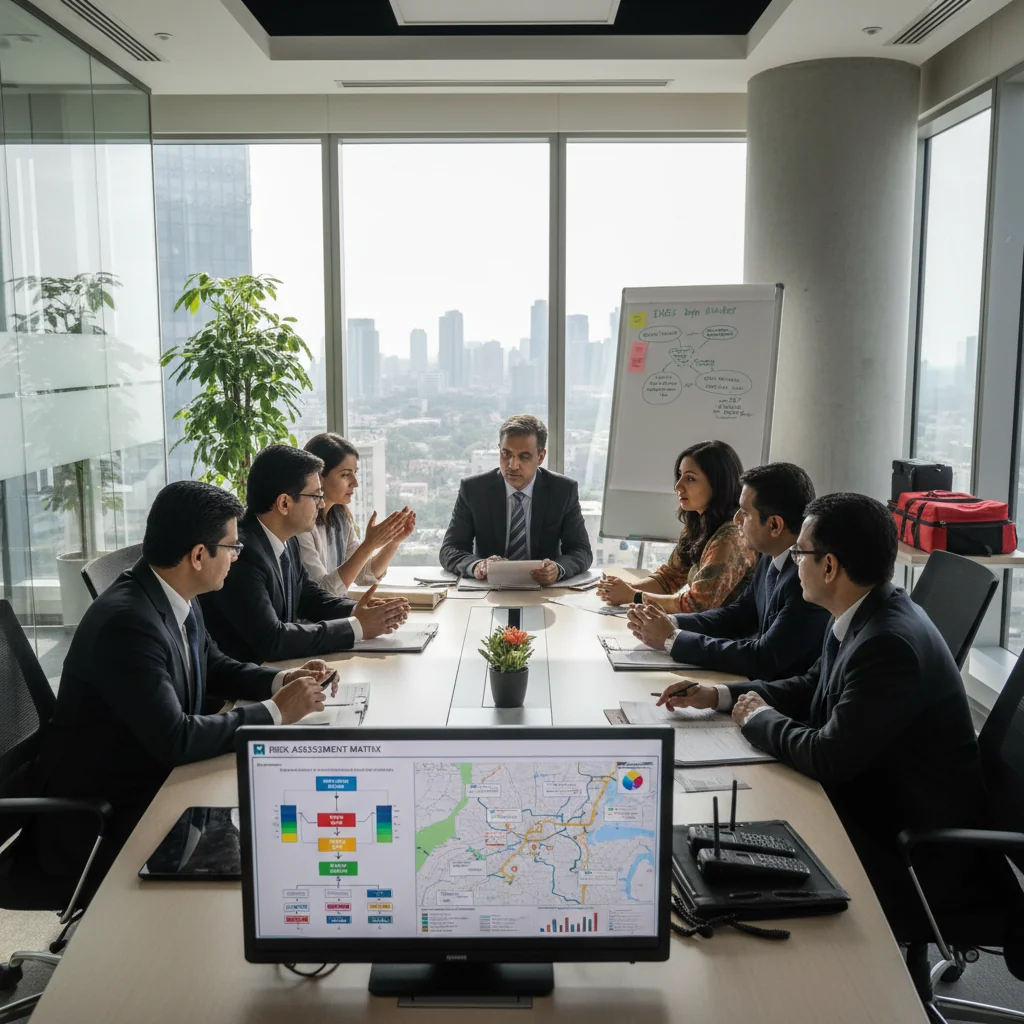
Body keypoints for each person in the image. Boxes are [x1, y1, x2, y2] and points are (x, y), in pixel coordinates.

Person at [655, 492, 1016, 957]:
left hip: (911, 849)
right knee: (720, 841)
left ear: (829, 567)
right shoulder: (861, 610)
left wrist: (758, 720)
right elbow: (812, 684)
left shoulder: (888, 644)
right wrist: (725, 697)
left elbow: (829, 756)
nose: (792, 564)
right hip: (877, 802)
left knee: (733, 868)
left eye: (800, 553)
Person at [33, 480, 338, 883]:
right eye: (232, 547)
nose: (236, 557)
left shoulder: (173, 594)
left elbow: (214, 664)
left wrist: (280, 680)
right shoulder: (128, 624)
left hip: (159, 783)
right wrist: (277, 712)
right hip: (115, 813)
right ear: (198, 555)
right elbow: (175, 739)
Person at [200, 445, 408, 664]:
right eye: (315, 496)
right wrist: (356, 627)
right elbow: (273, 640)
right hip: (245, 687)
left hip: (282, 669)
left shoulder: (287, 540)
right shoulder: (243, 553)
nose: (321, 504)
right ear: (284, 503)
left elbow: (309, 597)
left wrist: (359, 610)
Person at [626, 463, 830, 679]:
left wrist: (672, 639)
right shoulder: (771, 557)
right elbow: (739, 615)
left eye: (745, 513)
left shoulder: (807, 580)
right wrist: (673, 623)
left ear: (774, 525)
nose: (736, 519)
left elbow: (765, 658)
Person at [597, 439, 756, 613]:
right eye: (680, 476)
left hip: (723, 636)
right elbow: (668, 579)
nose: (678, 486)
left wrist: (633, 596)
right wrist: (624, 589)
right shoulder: (699, 524)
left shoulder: (731, 537)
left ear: (717, 485)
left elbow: (696, 605)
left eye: (690, 479)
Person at [439, 414, 592, 584]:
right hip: (488, 589)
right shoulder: (474, 490)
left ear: (540, 457)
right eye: (506, 453)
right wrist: (477, 565)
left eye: (524, 457)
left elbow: (581, 550)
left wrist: (558, 569)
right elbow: (450, 549)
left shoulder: (563, 491)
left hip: (544, 590)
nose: (512, 465)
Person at [300, 432, 416, 598]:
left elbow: (364, 575)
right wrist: (369, 545)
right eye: (346, 475)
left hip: (335, 617)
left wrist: (394, 541)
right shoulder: (301, 525)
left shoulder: (340, 518)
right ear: (319, 477)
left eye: (355, 473)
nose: (355, 483)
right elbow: (322, 594)